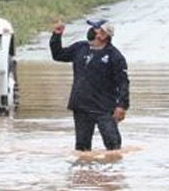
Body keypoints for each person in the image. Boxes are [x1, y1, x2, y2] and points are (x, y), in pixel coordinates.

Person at [49, 18, 130, 151]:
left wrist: (122, 106)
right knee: (82, 149)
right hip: (81, 107)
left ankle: (113, 170)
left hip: (104, 109)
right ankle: (83, 171)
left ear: (103, 35)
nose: (90, 31)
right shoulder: (80, 47)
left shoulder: (115, 56)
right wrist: (56, 36)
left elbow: (123, 83)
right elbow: (58, 55)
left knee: (113, 146)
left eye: (94, 28)